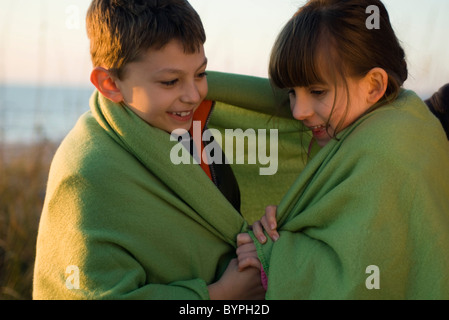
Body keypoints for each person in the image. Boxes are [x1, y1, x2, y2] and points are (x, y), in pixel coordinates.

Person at [33, 0, 265, 300]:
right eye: (170, 82)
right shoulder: (87, 176)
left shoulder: (188, 126)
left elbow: (224, 221)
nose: (193, 95)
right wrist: (218, 295)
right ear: (110, 83)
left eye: (201, 74)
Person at [236, 0, 449, 299]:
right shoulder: (406, 117)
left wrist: (274, 255)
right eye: (291, 93)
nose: (298, 111)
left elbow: (368, 275)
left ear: (374, 85)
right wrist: (288, 221)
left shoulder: (387, 154)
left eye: (317, 91)